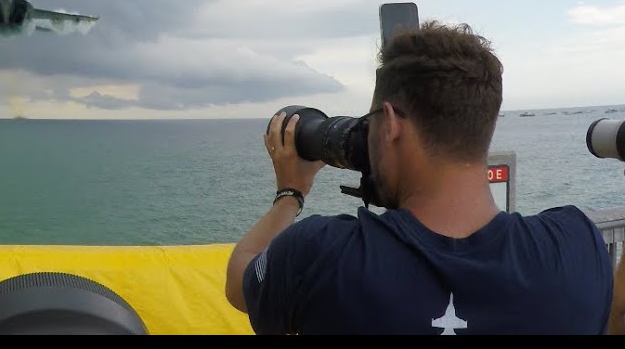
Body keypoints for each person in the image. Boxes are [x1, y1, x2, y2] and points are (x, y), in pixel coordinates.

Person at [224, 21, 612, 334]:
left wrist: (291, 192)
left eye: (371, 120)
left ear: (391, 124)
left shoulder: (320, 256)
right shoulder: (576, 248)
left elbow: (240, 275)